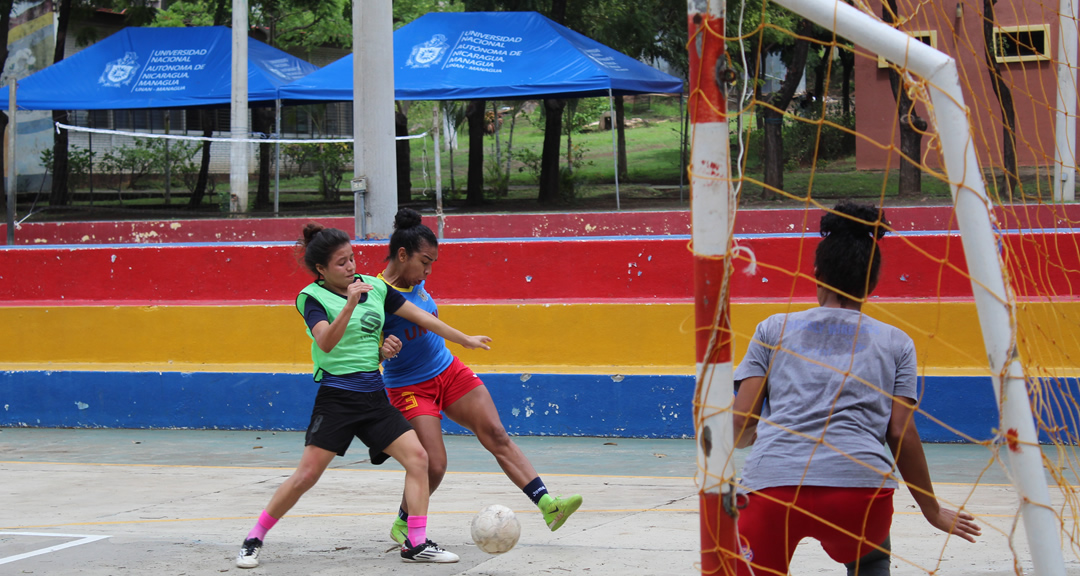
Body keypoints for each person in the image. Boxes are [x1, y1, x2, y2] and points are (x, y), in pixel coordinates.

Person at [731, 202, 981, 576]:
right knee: (872, 559)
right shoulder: (897, 342)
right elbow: (900, 432)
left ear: (817, 273)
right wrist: (932, 510)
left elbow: (740, 425)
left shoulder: (772, 329)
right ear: (873, 282)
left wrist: (751, 437)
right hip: (859, 493)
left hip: (773, 489)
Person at [235, 223, 491, 568]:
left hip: (373, 397)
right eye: (341, 263)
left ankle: (415, 542)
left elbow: (421, 317)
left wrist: (463, 339)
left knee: (419, 459)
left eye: (352, 258)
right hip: (338, 398)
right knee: (306, 476)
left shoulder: (376, 289)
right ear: (322, 270)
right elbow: (326, 341)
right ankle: (254, 538)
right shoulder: (312, 298)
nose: (352, 267)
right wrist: (350, 304)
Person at [377, 208, 582, 546]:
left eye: (432, 264)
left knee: (496, 434)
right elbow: (359, 339)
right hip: (409, 387)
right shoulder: (376, 294)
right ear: (402, 255)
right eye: (424, 262)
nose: (427, 271)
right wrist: (381, 345)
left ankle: (549, 505)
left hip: (448, 370)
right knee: (435, 464)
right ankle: (404, 523)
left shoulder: (417, 280)